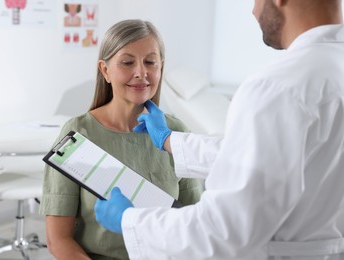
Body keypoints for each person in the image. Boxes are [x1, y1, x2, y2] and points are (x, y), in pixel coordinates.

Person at [94, 0, 344, 259]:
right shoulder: (330, 68)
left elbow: (223, 232)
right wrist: (169, 141)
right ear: (105, 70)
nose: (253, 11)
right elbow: (266, 157)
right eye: (127, 62)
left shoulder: (278, 87)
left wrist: (130, 220)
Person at [39, 19, 204, 260]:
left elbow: (193, 226)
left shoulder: (176, 135)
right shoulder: (78, 135)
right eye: (127, 62)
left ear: (161, 67)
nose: (141, 73)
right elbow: (58, 240)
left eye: (150, 62)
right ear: (105, 70)